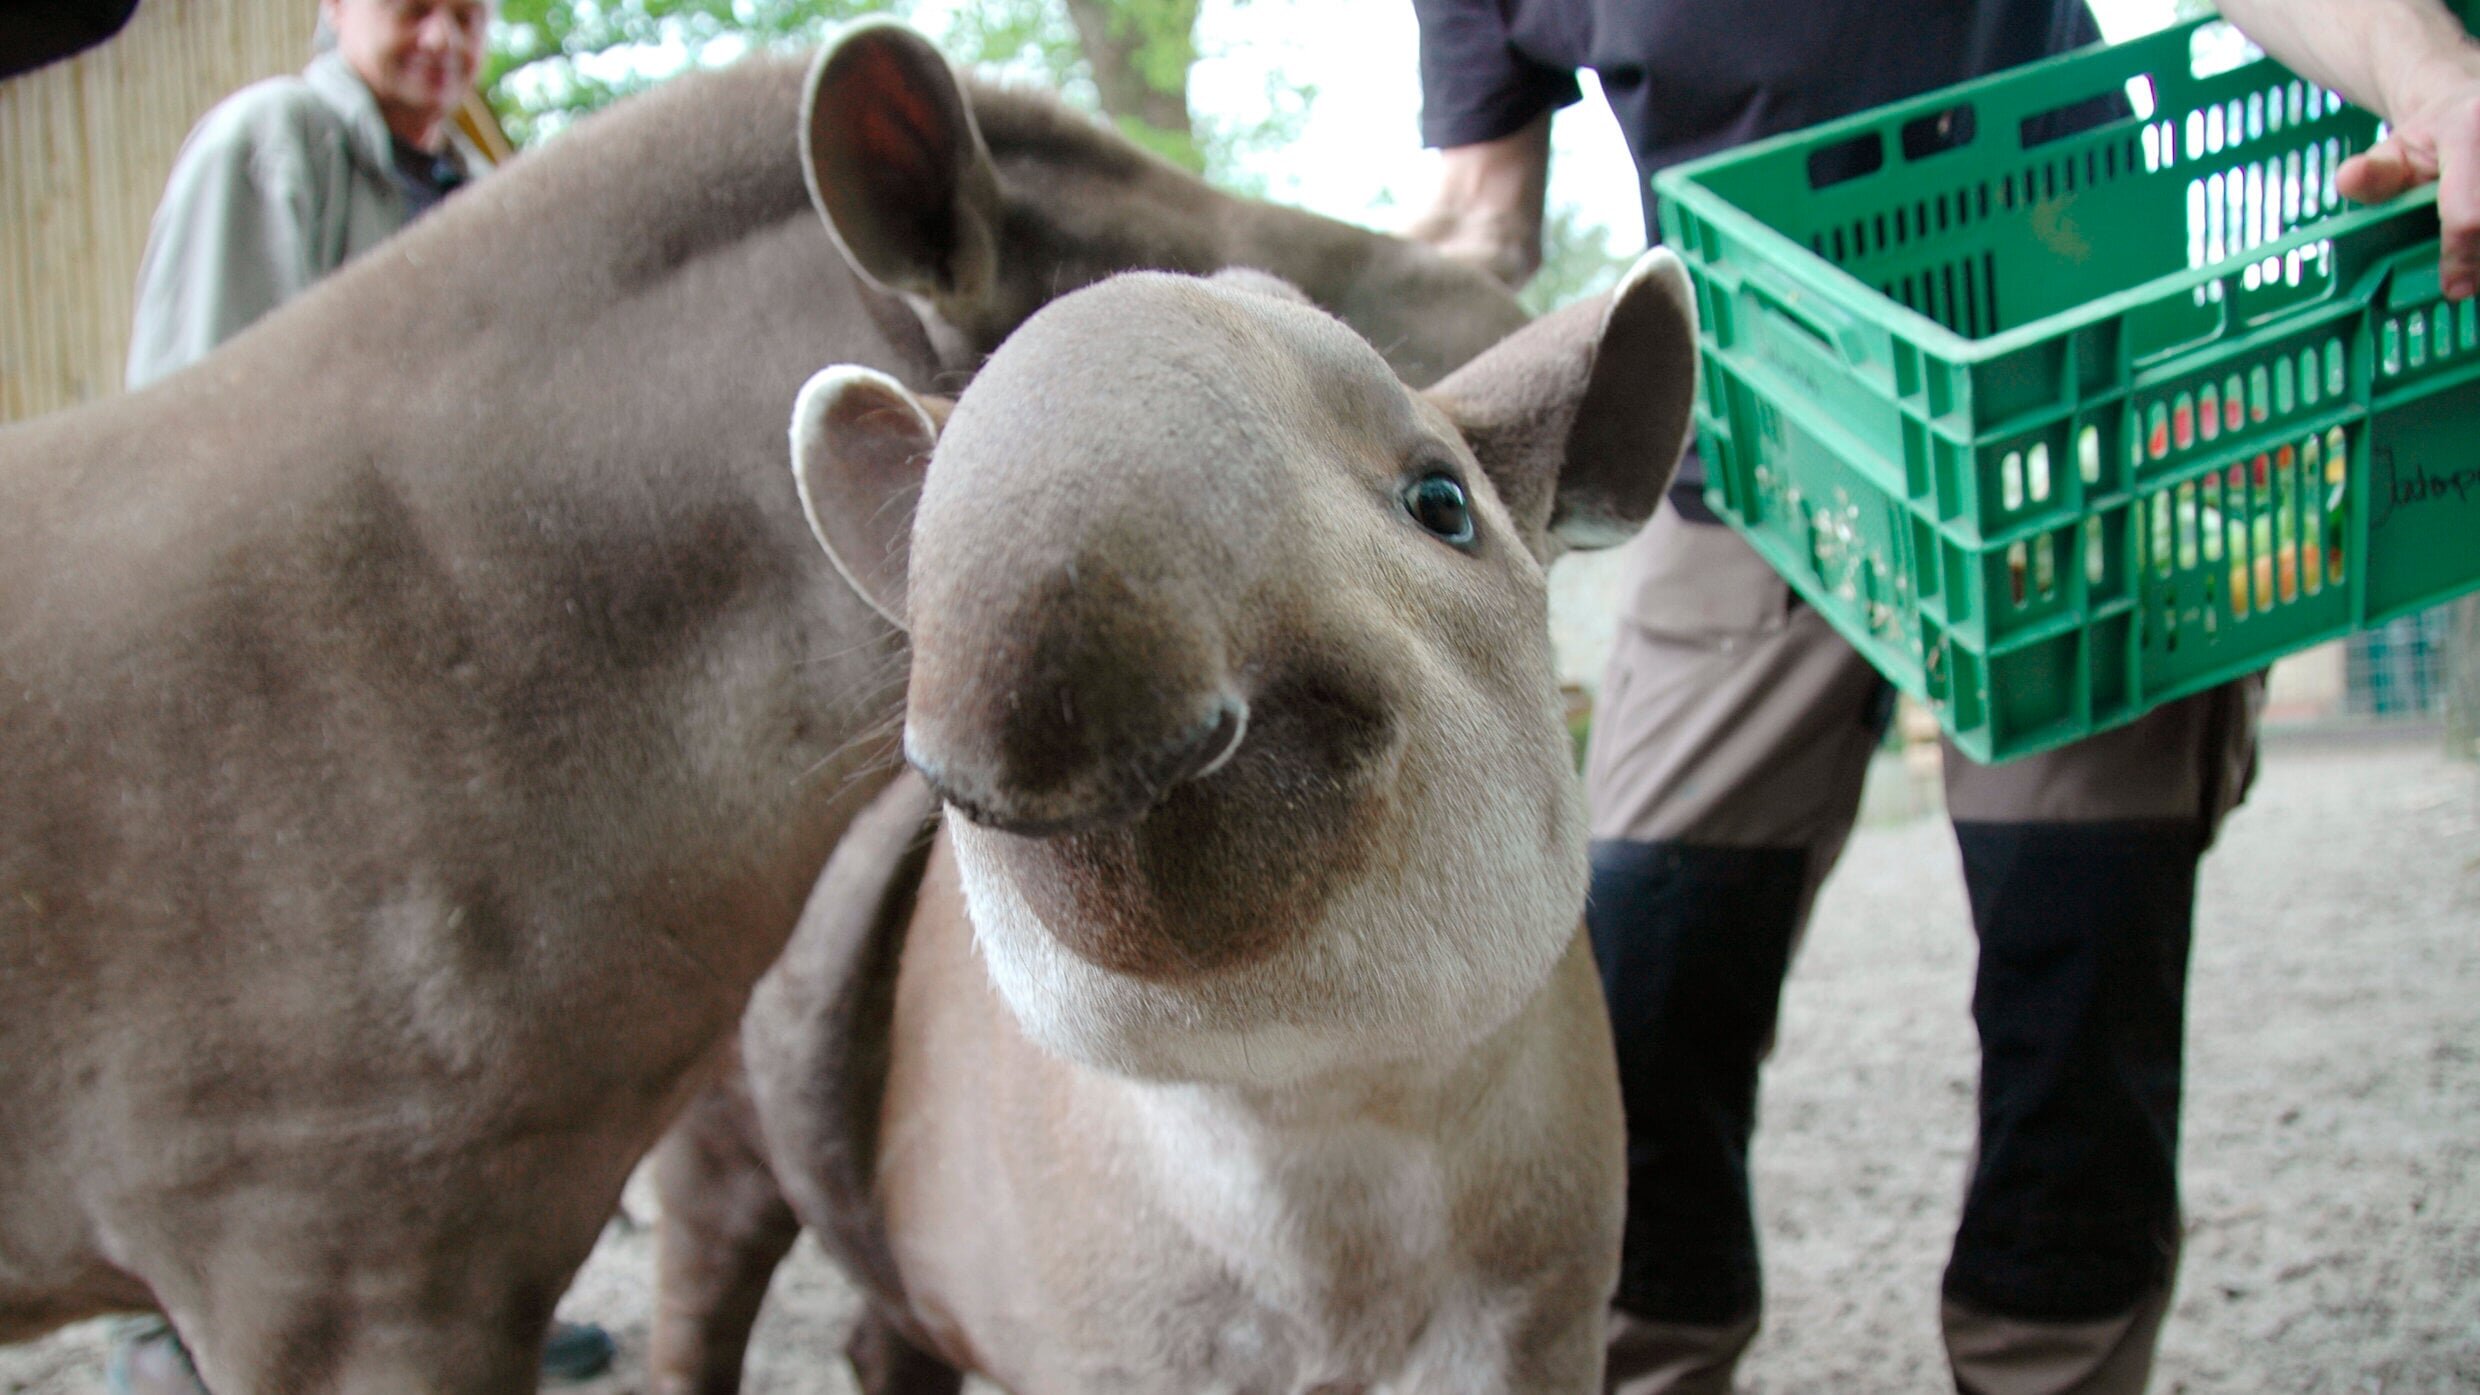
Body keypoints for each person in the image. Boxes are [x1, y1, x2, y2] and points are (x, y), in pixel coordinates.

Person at [1403, 1, 2480, 1392]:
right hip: (1748, 452)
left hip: (2063, 419)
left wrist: (2439, 77)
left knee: (2078, 977)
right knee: (1642, 985)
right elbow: (1480, 214)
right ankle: (1648, 1358)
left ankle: (2053, 1365)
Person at [111, 1, 616, 1388]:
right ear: (339, 8)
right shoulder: (274, 144)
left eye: (473, 11)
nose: (447, 38)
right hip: (280, 667)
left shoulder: (472, 189)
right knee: (253, 1012)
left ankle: (443, 1304)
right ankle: (180, 1332)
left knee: (429, 1011)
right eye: (415, 5)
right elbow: (195, 416)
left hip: (431, 681)